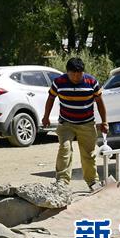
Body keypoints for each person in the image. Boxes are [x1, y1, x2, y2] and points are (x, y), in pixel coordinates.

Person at [42, 57, 108, 190]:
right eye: (73, 74)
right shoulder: (59, 82)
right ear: (67, 72)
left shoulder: (91, 82)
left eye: (80, 73)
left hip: (87, 124)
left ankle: (92, 182)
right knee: (65, 149)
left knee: (88, 154)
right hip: (66, 123)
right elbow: (50, 98)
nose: (77, 77)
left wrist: (104, 121)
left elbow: (100, 102)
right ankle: (62, 181)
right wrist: (46, 117)